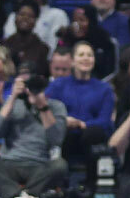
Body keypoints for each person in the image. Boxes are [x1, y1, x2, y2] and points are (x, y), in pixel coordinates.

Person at [0, 74, 68, 198]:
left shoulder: (56, 106)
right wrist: (12, 97)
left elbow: (56, 140)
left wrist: (42, 106)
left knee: (60, 165)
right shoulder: (12, 105)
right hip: (8, 163)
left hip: (39, 165)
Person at [45, 40, 115, 173]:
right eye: (81, 54)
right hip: (66, 134)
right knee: (63, 132)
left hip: (91, 135)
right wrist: (64, 120)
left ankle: (91, 181)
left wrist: (82, 124)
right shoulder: (58, 85)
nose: (86, 58)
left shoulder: (104, 88)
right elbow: (46, 109)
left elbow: (105, 120)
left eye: (90, 55)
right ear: (72, 61)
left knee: (93, 133)